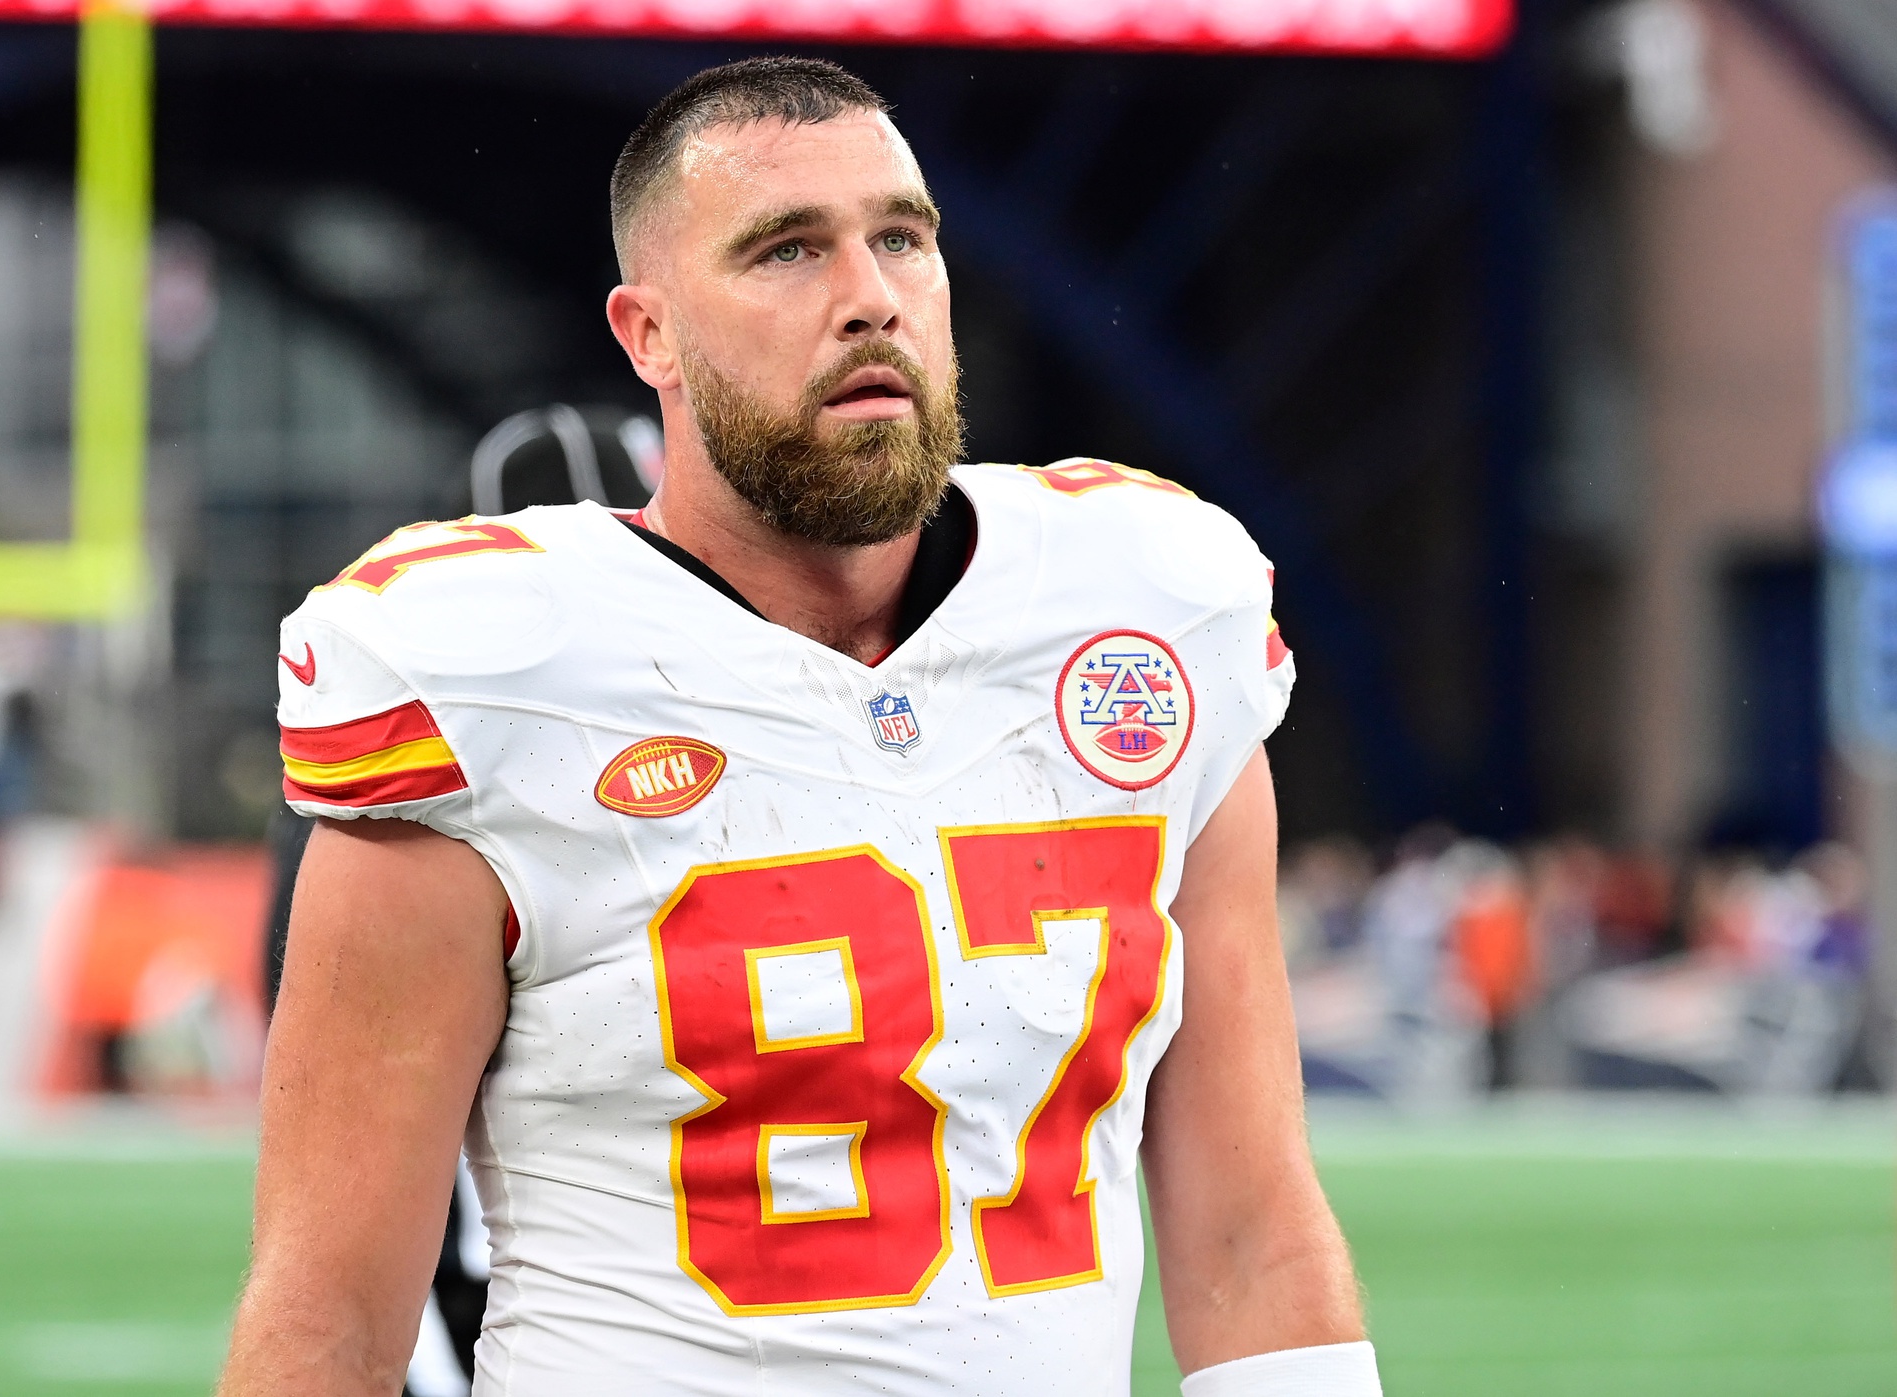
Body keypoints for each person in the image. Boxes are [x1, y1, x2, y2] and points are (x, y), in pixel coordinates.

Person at [219, 57, 1375, 1397]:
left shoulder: (1143, 617)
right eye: (786, 249)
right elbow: (331, 1321)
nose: (869, 295)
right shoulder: (493, 681)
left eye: (903, 236)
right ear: (647, 334)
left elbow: (1251, 1233)